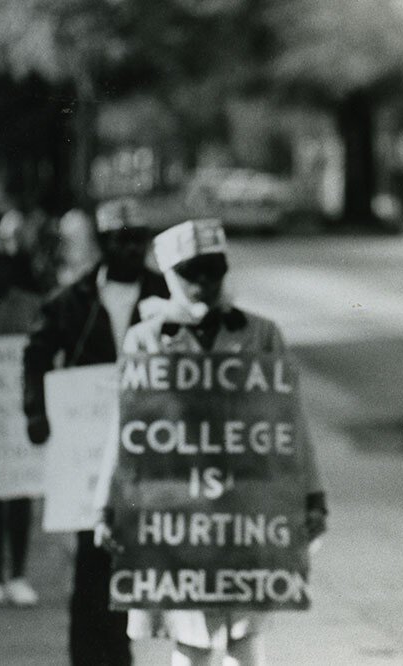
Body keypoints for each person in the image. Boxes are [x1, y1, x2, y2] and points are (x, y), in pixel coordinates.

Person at [93, 218, 328, 666]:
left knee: (246, 631)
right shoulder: (146, 339)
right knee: (191, 635)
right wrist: (106, 506)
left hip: (247, 508)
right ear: (169, 276)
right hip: (176, 510)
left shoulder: (261, 334)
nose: (203, 282)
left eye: (213, 270)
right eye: (191, 273)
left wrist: (312, 496)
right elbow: (124, 428)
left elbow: (291, 423)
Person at [23, 198, 168, 666]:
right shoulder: (73, 300)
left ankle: (123, 646)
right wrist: (36, 411)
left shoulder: (167, 295)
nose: (130, 249)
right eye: (119, 240)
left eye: (137, 239)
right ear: (103, 244)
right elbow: (36, 353)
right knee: (92, 555)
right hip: (89, 450)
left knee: (141, 553)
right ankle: (90, 653)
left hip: (153, 446)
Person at [0, 233, 43, 607]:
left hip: (19, 413)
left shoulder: (31, 305)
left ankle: (18, 574)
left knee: (19, 492)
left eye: (4, 264)